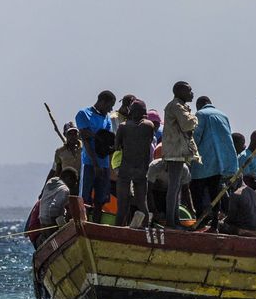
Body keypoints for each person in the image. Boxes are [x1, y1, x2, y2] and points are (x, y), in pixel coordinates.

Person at [159, 81, 199, 226]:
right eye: (189, 91)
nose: (191, 93)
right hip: (174, 152)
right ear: (180, 92)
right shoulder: (176, 106)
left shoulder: (180, 106)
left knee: (176, 188)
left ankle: (174, 219)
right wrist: (194, 118)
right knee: (174, 188)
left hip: (177, 152)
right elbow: (187, 124)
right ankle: (171, 221)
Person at [189, 96, 237, 217]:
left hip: (203, 163)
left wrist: (188, 156)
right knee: (215, 194)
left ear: (199, 105)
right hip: (219, 163)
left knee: (197, 191)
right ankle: (214, 224)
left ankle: (199, 219)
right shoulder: (223, 116)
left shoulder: (200, 114)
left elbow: (195, 138)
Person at [74, 90, 117, 220]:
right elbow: (86, 139)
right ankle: (83, 222)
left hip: (104, 163)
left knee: (101, 199)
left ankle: (96, 223)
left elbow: (105, 139)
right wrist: (95, 163)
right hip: (89, 162)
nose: (111, 109)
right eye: (110, 105)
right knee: (85, 197)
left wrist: (95, 136)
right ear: (102, 102)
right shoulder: (83, 114)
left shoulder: (106, 118)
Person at [114, 99, 156, 227]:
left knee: (122, 205)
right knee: (142, 203)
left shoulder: (123, 126)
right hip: (141, 169)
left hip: (125, 169)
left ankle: (118, 231)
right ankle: (145, 230)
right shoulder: (149, 126)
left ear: (130, 111)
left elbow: (117, 147)